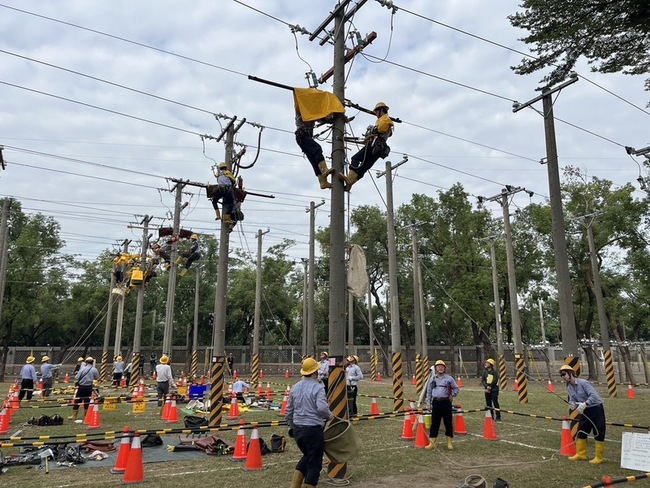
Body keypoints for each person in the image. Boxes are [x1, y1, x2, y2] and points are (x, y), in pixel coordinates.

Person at [285, 357, 333, 488]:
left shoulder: (294, 387)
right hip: (313, 430)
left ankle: (295, 485)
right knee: (314, 463)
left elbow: (288, 410)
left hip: (298, 430)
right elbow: (322, 408)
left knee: (308, 456)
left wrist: (292, 426)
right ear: (315, 372)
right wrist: (330, 416)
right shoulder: (318, 388)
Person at [340, 101, 394, 191]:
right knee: (364, 168)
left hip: (374, 145)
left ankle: (349, 179)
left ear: (381, 110)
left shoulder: (385, 119)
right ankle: (350, 184)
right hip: (378, 149)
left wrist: (373, 131)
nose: (376, 114)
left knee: (355, 158)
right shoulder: (386, 121)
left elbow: (380, 130)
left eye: (377, 111)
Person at [559, 364, 606, 464]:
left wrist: (585, 404)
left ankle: (599, 457)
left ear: (570, 373)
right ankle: (581, 454)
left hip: (595, 408)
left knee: (598, 431)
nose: (563, 376)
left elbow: (594, 396)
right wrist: (573, 404)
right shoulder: (569, 386)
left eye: (564, 374)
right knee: (581, 431)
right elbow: (573, 398)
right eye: (561, 375)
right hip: (585, 411)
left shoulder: (584, 383)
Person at [295, 109, 335, 189]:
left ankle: (323, 182)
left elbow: (319, 119)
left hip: (302, 137)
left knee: (314, 160)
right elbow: (318, 117)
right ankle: (324, 170)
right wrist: (328, 118)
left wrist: (330, 119)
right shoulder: (302, 110)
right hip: (302, 136)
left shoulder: (309, 112)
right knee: (317, 148)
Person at [425, 359, 460, 450]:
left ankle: (449, 442)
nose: (440, 368)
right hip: (436, 402)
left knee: (448, 422)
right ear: (435, 368)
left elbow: (456, 389)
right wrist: (428, 403)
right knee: (434, 423)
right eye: (438, 367)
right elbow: (428, 392)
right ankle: (432, 443)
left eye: (442, 367)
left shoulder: (449, 379)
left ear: (444, 368)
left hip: (446, 403)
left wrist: (452, 395)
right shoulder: (432, 379)